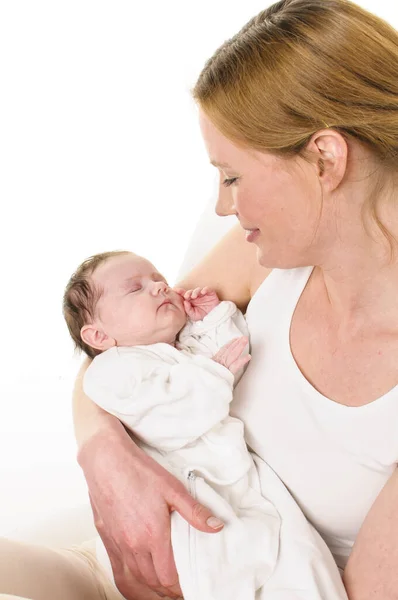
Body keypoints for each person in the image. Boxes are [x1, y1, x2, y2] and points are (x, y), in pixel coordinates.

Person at [0, 0, 397, 599]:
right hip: (123, 567)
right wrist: (104, 454)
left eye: (232, 176)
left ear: (325, 156)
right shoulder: (266, 254)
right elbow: (116, 352)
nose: (221, 207)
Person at [63, 250, 348, 600]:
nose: (159, 287)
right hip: (187, 498)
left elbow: (235, 353)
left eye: (159, 280)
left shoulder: (181, 345)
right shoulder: (111, 372)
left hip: (240, 483)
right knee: (218, 574)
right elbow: (174, 416)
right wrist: (217, 371)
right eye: (135, 288)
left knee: (300, 561)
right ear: (100, 337)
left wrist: (213, 318)